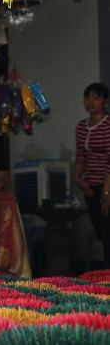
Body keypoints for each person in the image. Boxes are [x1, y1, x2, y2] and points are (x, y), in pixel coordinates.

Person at [75, 82, 110, 268]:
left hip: (107, 185)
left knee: (107, 232)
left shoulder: (108, 125)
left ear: (105, 102)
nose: (90, 102)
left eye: (96, 98)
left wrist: (106, 192)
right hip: (90, 187)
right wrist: (78, 179)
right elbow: (81, 155)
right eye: (87, 98)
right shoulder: (81, 126)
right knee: (99, 229)